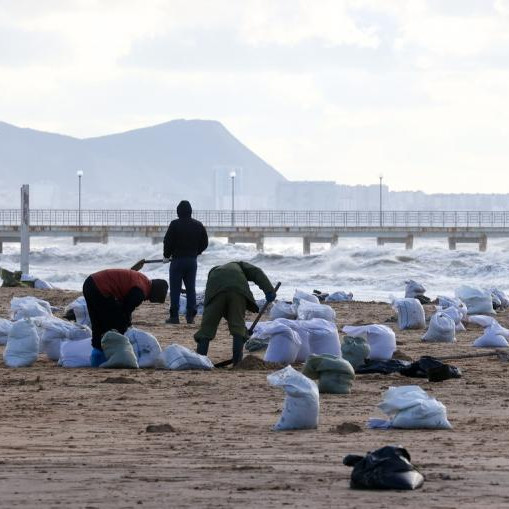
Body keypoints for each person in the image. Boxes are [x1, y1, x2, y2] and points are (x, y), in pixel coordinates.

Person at [194, 261, 276, 365]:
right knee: (237, 327)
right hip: (237, 291)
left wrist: (244, 331)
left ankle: (200, 360)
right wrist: (269, 290)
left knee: (207, 326)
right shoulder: (239, 266)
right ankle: (237, 362)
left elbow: (219, 311)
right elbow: (257, 272)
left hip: (215, 291)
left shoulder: (215, 273)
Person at [83, 268, 168, 366]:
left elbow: (123, 306)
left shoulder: (143, 281)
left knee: (97, 322)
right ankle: (106, 356)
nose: (149, 300)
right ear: (154, 293)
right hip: (101, 288)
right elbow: (124, 311)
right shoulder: (140, 292)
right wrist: (126, 327)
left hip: (90, 282)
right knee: (111, 324)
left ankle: (97, 357)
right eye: (154, 299)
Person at [163, 200, 208, 324]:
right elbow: (205, 243)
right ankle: (190, 316)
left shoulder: (174, 224)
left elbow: (167, 241)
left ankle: (174, 317)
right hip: (191, 261)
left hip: (177, 261)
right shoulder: (198, 225)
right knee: (191, 289)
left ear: (178, 212)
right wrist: (196, 252)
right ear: (190, 212)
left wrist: (166, 255)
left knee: (175, 290)